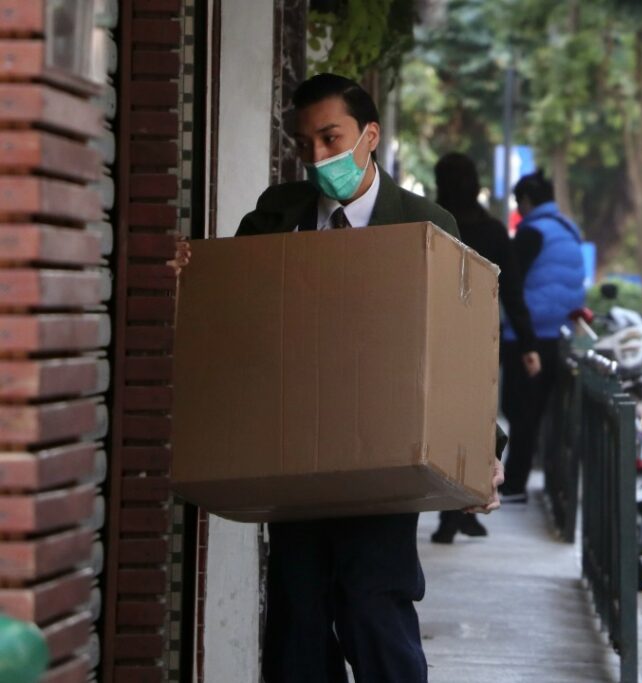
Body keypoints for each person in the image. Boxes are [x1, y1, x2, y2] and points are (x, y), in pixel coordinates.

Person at [170, 74, 502, 683]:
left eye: (332, 138)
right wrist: (196, 274)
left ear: (369, 135)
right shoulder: (276, 216)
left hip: (385, 459)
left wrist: (484, 453)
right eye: (306, 144)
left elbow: (463, 351)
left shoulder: (425, 227)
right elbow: (238, 315)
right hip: (295, 461)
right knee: (298, 621)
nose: (319, 158)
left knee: (373, 607)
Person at [430, 152, 540, 543]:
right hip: (477, 340)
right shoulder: (492, 230)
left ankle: (452, 512)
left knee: (434, 423)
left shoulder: (429, 222)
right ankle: (463, 507)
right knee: (474, 425)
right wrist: (528, 344)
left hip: (432, 336)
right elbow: (511, 291)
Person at [499, 171, 586, 502]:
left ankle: (515, 483)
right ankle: (534, 480)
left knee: (518, 411)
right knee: (536, 413)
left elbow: (509, 283)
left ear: (526, 201)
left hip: (527, 338)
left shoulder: (531, 233)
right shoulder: (569, 231)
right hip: (559, 337)